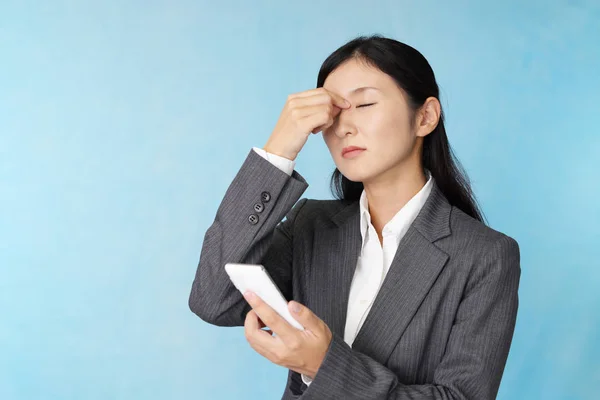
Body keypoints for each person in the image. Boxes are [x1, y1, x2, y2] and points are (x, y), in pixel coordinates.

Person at [188, 34, 521, 400]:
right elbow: (214, 299)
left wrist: (323, 366)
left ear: (425, 116)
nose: (343, 127)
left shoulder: (485, 255)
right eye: (332, 113)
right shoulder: (310, 225)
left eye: (364, 104)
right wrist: (278, 150)